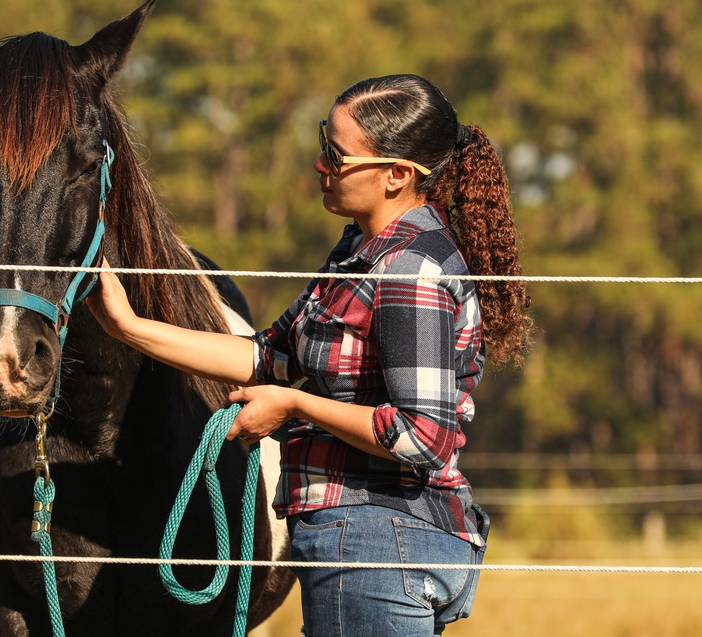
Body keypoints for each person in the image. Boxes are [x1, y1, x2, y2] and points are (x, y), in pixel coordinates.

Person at [88, 74, 531, 636]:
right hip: (364, 542)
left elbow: (422, 436)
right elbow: (265, 358)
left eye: (336, 154)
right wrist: (128, 327)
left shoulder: (408, 273)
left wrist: (295, 406)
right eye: (324, 143)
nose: (321, 165)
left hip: (376, 544)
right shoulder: (357, 253)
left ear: (397, 174)